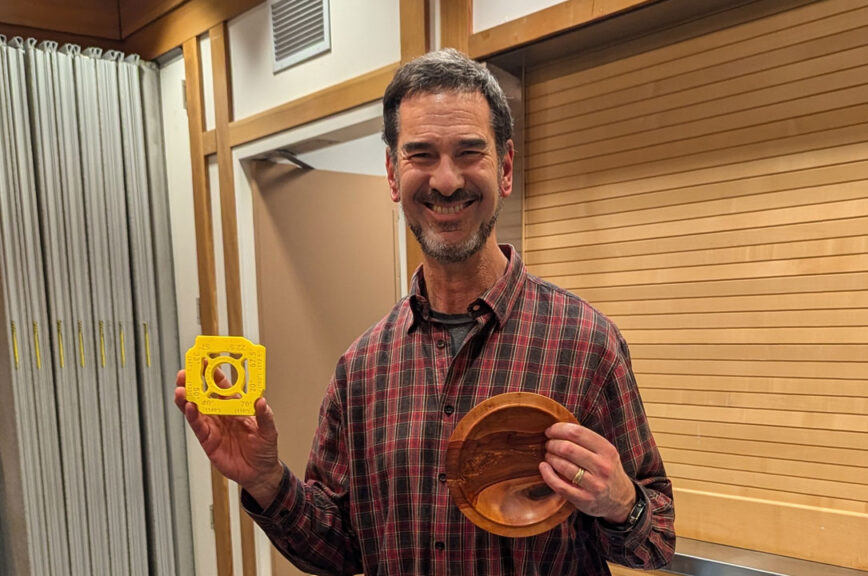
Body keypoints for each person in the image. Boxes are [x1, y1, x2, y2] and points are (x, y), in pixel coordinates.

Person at [175, 48, 675, 575]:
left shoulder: (585, 343)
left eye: (468, 152)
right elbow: (339, 551)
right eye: (421, 155)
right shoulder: (362, 369)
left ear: (504, 168)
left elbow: (657, 538)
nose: (445, 181)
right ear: (393, 174)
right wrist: (264, 480)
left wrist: (623, 503)